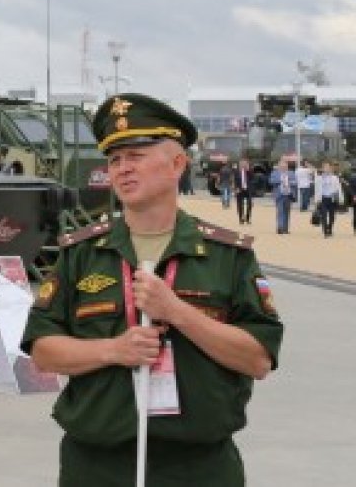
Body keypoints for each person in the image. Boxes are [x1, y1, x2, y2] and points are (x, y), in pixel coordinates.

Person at [22, 94, 281, 487]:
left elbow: (258, 359)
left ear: (177, 164)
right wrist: (113, 350)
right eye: (114, 160)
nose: (123, 168)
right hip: (98, 466)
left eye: (136, 156)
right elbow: (43, 351)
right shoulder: (81, 253)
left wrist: (178, 312)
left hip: (198, 468)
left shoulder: (227, 256)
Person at [315, 163, 341, 238]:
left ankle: (330, 228)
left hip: (332, 199)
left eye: (328, 168)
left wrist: (340, 198)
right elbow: (317, 189)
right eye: (325, 168)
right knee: (324, 215)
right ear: (323, 169)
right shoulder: (319, 178)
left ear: (330, 169)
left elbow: (338, 188)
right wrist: (317, 200)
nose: (327, 169)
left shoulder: (335, 178)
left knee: (332, 216)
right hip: (323, 199)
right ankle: (325, 231)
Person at [271, 161, 294, 234]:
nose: (283, 168)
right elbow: (271, 181)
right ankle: (280, 228)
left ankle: (285, 228)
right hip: (279, 195)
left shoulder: (291, 173)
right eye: (282, 166)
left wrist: (289, 182)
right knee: (280, 211)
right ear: (279, 167)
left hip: (288, 195)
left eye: (285, 166)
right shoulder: (275, 173)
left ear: (287, 167)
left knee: (287, 212)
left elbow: (295, 182)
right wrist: (281, 180)